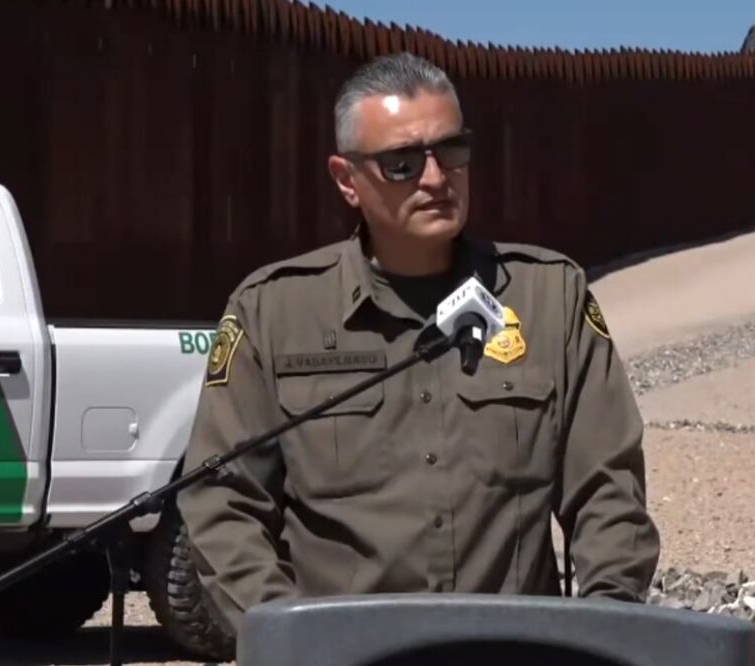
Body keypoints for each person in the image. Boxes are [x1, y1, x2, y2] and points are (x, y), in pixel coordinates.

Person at [177, 51, 660, 649]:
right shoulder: (274, 313)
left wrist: (603, 633)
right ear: (347, 180)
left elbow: (609, 490)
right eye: (402, 163)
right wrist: (293, 643)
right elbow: (222, 503)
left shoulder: (548, 298)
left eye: (450, 151)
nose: (435, 178)